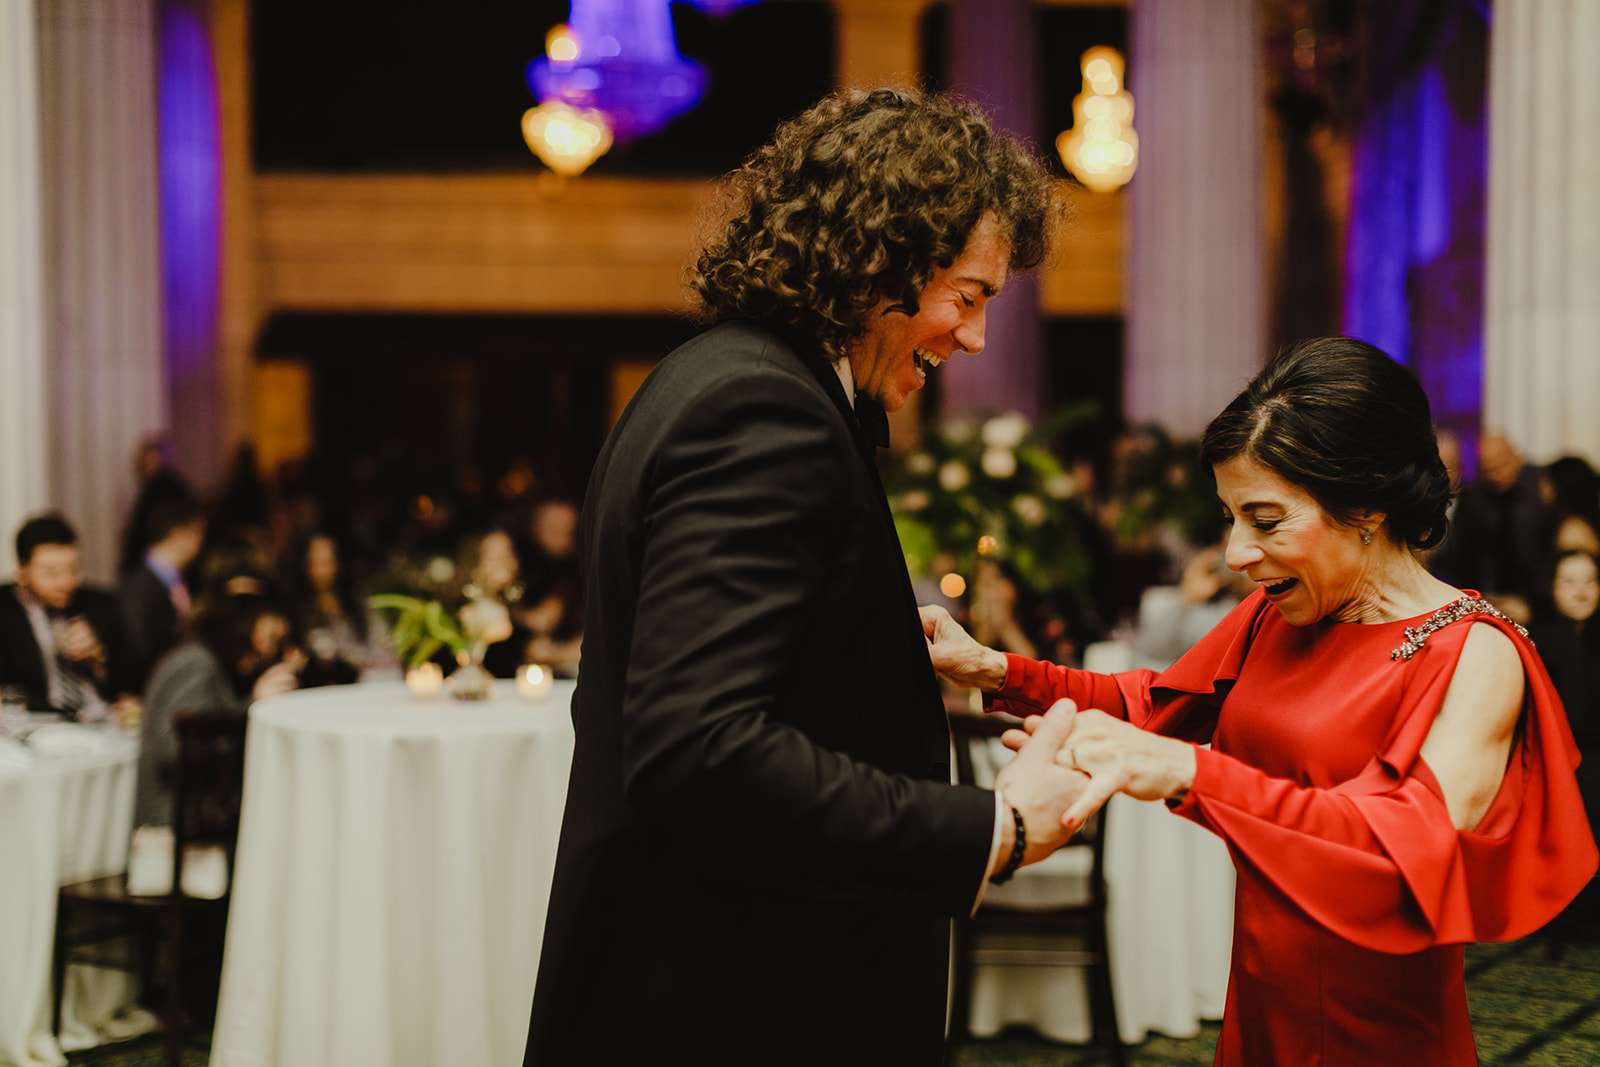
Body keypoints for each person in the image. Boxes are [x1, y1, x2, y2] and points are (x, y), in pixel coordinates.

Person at [525, 87, 1087, 1067]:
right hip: (734, 1006)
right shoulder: (759, 407)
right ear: (886, 265)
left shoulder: (727, 377)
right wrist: (990, 825)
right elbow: (696, 745)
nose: (975, 337)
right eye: (969, 294)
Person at [924, 337, 1597, 1065]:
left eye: (1266, 520)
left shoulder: (1474, 651)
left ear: (1367, 505)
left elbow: (1396, 849)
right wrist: (992, 668)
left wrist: (1190, 773)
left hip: (1381, 1037)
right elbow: (1151, 702)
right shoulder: (1279, 613)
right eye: (1230, 516)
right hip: (1259, 1008)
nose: (1238, 551)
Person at [135, 591, 300, 827]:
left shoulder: (209, 662)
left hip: (198, 812)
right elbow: (177, 748)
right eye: (271, 638)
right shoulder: (196, 662)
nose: (270, 651)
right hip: (177, 819)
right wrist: (254, 705)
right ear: (241, 628)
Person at [0, 514, 139, 718]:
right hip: (37, 726)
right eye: (51, 572)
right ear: (22, 571)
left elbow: (135, 682)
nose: (66, 582)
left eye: (73, 569)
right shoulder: (4, 611)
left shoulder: (100, 605)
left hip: (100, 720)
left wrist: (97, 660)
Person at [118, 489, 205, 686]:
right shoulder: (138, 587)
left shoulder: (183, 580)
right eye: (198, 533)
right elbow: (139, 650)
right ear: (180, 534)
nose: (200, 544)